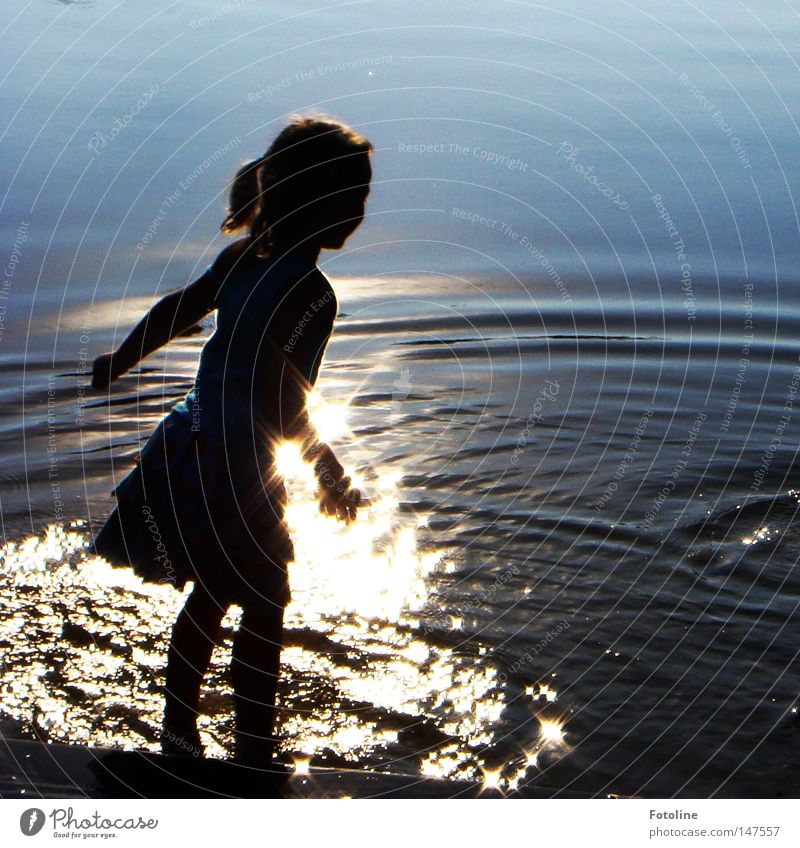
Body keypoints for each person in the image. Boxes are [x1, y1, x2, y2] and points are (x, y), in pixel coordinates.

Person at [89, 116, 372, 764]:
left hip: (190, 442)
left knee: (213, 592)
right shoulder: (310, 290)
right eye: (352, 197)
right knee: (266, 598)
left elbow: (174, 311)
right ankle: (252, 741)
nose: (359, 211)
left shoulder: (241, 258)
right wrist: (327, 471)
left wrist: (120, 360)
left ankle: (180, 730)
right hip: (237, 464)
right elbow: (284, 397)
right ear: (319, 203)